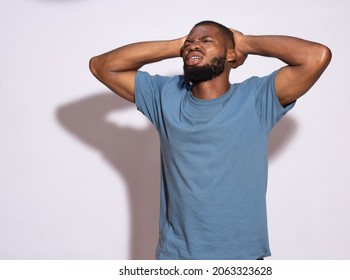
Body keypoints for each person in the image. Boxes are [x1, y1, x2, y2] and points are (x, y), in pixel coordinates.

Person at [89, 20, 331, 260]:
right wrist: (179, 45)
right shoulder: (165, 96)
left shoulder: (257, 98)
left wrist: (245, 42)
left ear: (230, 55)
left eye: (206, 41)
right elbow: (101, 66)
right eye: (191, 42)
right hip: (177, 257)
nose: (195, 45)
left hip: (240, 258)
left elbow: (316, 56)